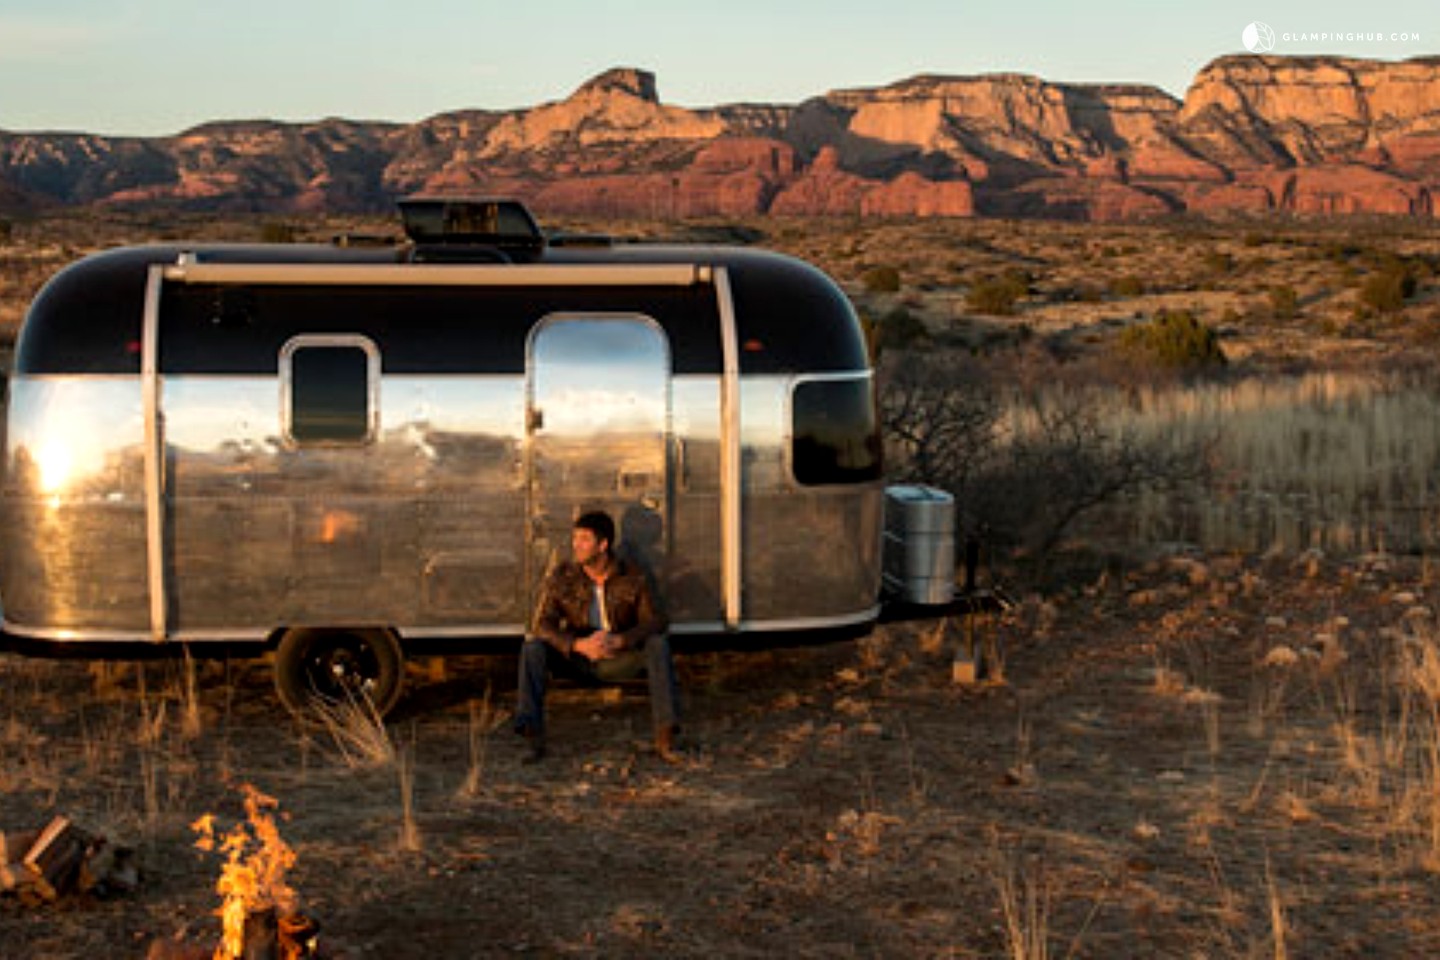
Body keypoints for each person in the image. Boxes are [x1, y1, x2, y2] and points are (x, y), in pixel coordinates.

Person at [514, 510, 681, 763]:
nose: (576, 545)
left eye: (584, 539)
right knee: (532, 648)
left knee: (658, 645)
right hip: (578, 657)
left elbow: (657, 620)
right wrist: (577, 644)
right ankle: (531, 738)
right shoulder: (564, 575)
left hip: (617, 656)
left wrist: (622, 640)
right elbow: (543, 624)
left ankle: (666, 739)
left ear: (603, 545)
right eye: (575, 538)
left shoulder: (633, 575)